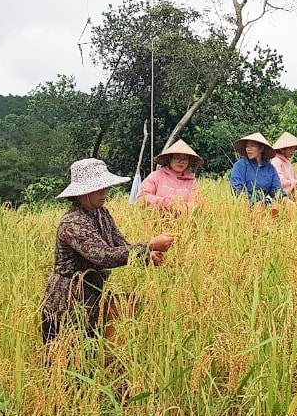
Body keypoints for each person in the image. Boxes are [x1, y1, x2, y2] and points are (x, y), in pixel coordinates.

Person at [41, 158, 175, 345]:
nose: (105, 192)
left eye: (106, 187)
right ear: (83, 192)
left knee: (91, 353)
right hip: (66, 304)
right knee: (65, 356)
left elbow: (120, 245)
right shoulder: (73, 222)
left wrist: (147, 256)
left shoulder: (101, 213)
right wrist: (149, 246)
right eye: (99, 189)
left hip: (92, 298)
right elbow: (104, 256)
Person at [136, 139, 203, 215]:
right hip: (155, 220)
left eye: (185, 159)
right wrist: (166, 203)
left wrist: (183, 207)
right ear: (169, 159)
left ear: (189, 162)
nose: (181, 161)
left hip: (183, 221)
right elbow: (142, 198)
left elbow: (196, 202)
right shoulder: (156, 176)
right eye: (177, 158)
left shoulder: (192, 181)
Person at [229, 132, 284, 206]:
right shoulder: (240, 165)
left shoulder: (270, 168)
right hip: (244, 206)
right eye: (247, 146)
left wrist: (284, 199)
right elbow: (237, 189)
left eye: (252, 146)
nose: (248, 149)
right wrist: (255, 202)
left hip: (264, 205)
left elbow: (276, 189)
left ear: (261, 148)